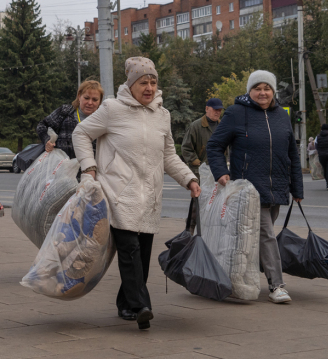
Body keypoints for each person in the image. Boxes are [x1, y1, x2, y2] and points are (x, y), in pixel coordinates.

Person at [72, 57, 201, 330]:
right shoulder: (112, 109)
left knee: (141, 256)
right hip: (118, 192)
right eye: (144, 82)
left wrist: (189, 179)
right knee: (129, 251)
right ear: (131, 85)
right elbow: (81, 133)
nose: (150, 87)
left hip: (150, 196)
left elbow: (169, 156)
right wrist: (90, 168)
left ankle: (125, 304)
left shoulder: (162, 115)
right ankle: (142, 305)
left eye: (153, 82)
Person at [207, 70, 304, 304]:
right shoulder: (236, 113)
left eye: (267, 88)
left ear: (273, 91)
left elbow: (292, 152)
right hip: (249, 189)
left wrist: (297, 189)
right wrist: (221, 172)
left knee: (256, 237)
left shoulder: (281, 115)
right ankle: (276, 285)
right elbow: (214, 146)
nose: (263, 92)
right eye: (257, 88)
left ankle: (234, 278)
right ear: (250, 91)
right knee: (266, 235)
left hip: (277, 186)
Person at [181, 98, 224, 234]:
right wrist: (198, 164)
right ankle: (189, 233)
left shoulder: (222, 126)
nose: (217, 112)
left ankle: (208, 234)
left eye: (219, 110)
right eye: (215, 109)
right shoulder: (196, 126)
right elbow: (186, 148)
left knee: (214, 205)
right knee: (196, 205)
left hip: (217, 173)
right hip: (200, 173)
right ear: (207, 109)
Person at [37, 80, 104, 159]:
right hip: (61, 167)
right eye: (86, 98)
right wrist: (47, 140)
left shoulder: (103, 121)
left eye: (95, 100)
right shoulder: (65, 111)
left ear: (100, 101)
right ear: (79, 96)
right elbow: (42, 125)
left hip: (90, 169)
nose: (90, 102)